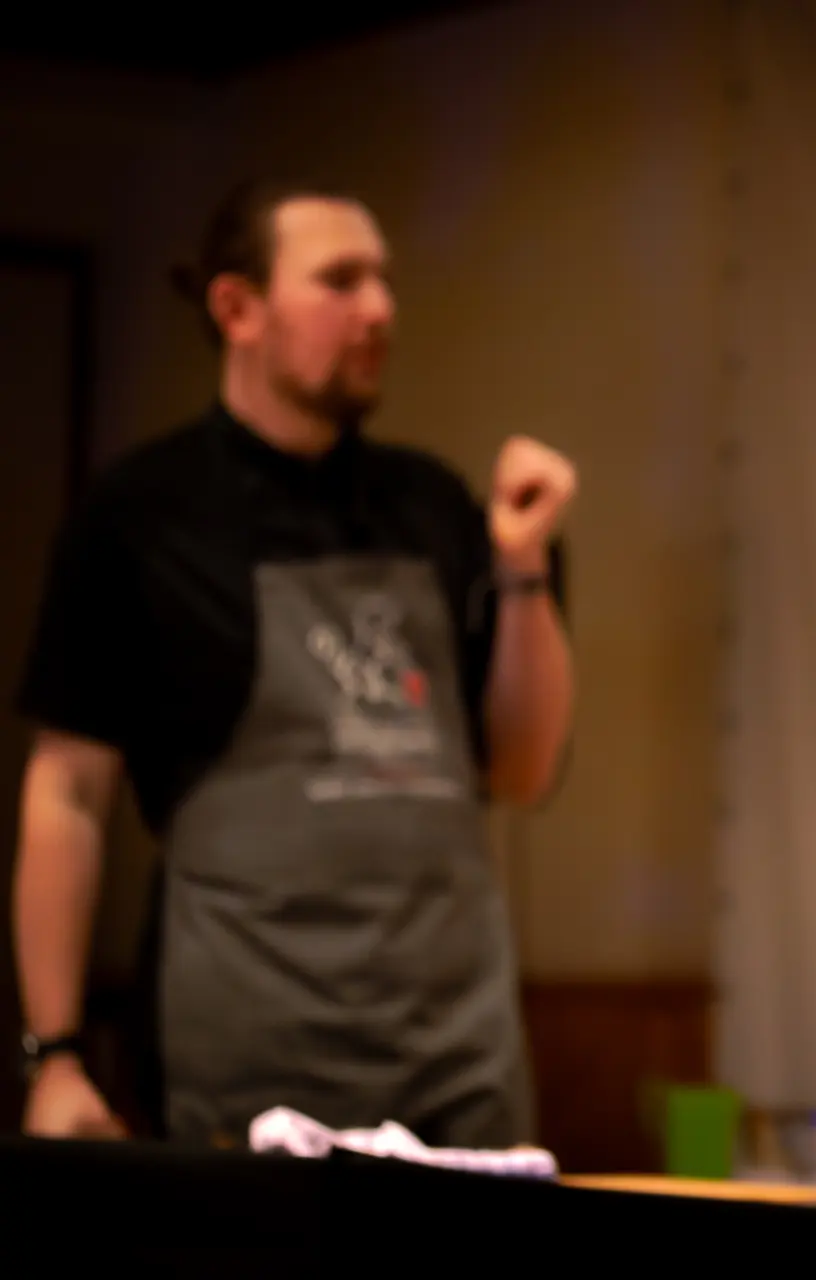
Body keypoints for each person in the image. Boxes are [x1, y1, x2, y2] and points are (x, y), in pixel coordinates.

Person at [10, 178, 576, 1151]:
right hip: (245, 1064)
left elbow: (521, 772)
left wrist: (523, 565)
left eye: (384, 280)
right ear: (237, 308)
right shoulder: (140, 517)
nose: (380, 308)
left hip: (456, 1060)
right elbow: (67, 794)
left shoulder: (435, 505)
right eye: (340, 281)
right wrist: (53, 1054)